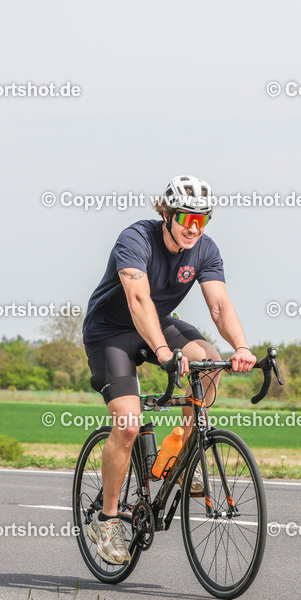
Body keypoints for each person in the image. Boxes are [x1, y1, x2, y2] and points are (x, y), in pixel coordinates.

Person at [81, 175, 256, 565]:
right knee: (127, 424)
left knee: (209, 362)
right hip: (111, 332)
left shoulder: (205, 250)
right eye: (186, 219)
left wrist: (241, 348)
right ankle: (107, 522)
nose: (193, 228)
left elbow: (219, 306)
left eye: (202, 221)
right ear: (167, 213)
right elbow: (137, 297)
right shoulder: (136, 239)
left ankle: (177, 453)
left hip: (157, 323)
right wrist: (161, 350)